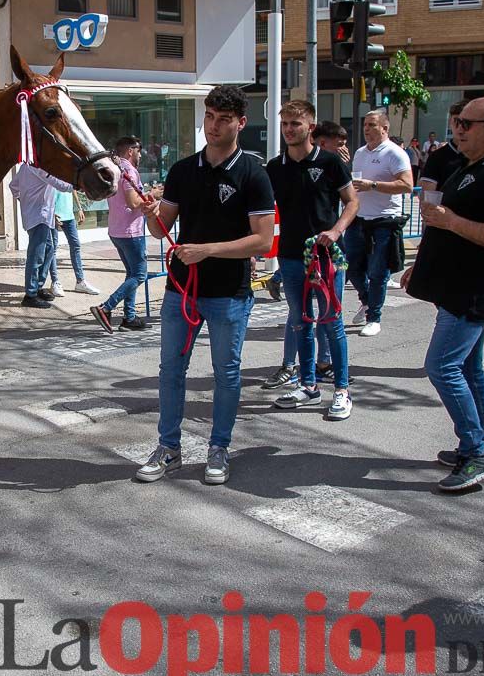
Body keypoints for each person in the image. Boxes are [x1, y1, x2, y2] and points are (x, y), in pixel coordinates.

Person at [135, 85, 275, 486]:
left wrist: (208, 250)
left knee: (226, 373)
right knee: (170, 371)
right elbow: (161, 229)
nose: (213, 125)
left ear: (241, 123)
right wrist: (150, 215)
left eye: (223, 119)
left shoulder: (254, 173)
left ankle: (219, 447)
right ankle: (169, 448)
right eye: (210, 116)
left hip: (229, 294)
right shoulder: (182, 170)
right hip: (181, 292)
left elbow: (263, 241)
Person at [402, 97, 484, 491]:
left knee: (442, 367)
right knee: (469, 369)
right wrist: (422, 266)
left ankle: (476, 451)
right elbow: (449, 226)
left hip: (473, 290)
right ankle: (482, 443)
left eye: (466, 123)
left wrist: (450, 220)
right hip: (456, 286)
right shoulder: (474, 165)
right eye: (456, 122)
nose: (457, 129)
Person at [264, 100, 359, 419]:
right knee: (300, 321)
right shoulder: (275, 167)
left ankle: (342, 390)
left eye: (296, 123)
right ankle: (308, 386)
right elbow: (257, 206)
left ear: (311, 127)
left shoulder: (331, 163)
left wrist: (335, 230)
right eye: (285, 124)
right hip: (290, 257)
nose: (289, 129)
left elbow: (351, 202)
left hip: (327, 257)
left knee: (332, 322)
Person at [345, 109, 413, 337]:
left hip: (385, 220)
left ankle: (374, 317)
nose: (366, 129)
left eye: (372, 124)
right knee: (352, 267)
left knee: (377, 272)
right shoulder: (360, 152)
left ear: (384, 128)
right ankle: (366, 301)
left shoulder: (395, 153)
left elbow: (407, 185)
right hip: (359, 218)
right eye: (365, 124)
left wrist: (372, 185)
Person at [91, 136, 152, 332]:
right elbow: (133, 203)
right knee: (140, 274)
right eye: (138, 151)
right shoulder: (129, 172)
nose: (141, 154)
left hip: (117, 230)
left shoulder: (115, 169)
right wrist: (155, 195)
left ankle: (130, 317)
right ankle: (106, 307)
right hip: (130, 231)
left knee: (132, 274)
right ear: (130, 151)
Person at [8, 162, 74, 309]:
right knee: (37, 254)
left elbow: (13, 186)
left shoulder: (26, 166)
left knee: (49, 250)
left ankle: (37, 286)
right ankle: (30, 294)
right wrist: (78, 185)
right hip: (39, 216)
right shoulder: (39, 166)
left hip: (44, 216)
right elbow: (59, 184)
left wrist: (24, 201)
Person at [47, 189, 100, 297]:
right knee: (53, 248)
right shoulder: (51, 173)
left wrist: (79, 208)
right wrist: (50, 212)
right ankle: (55, 281)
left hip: (68, 214)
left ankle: (80, 281)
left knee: (75, 245)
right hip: (53, 214)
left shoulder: (67, 173)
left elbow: (72, 189)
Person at [419, 100, 469, 193]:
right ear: (450, 122)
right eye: (456, 121)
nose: (460, 128)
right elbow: (426, 197)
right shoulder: (437, 157)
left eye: (466, 123)